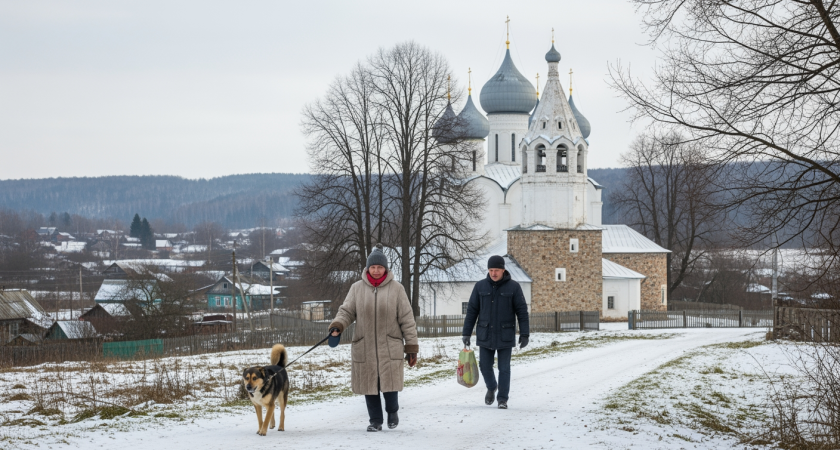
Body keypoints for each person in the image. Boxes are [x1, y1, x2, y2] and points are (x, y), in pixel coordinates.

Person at [328, 244, 419, 432]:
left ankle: (392, 411)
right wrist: (337, 326)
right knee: (370, 385)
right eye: (373, 267)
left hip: (390, 345)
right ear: (367, 268)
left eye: (380, 267)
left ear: (386, 268)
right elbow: (346, 312)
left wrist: (411, 347)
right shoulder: (356, 289)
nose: (376, 271)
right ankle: (375, 421)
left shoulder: (397, 289)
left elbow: (407, 319)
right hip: (365, 345)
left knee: (389, 383)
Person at [462, 255, 529, 409]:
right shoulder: (480, 287)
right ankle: (492, 387)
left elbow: (522, 312)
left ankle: (502, 399)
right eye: (491, 270)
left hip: (505, 335)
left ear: (503, 270)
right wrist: (466, 333)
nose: (493, 273)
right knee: (485, 366)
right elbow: (472, 311)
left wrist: (525, 334)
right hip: (485, 334)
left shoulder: (514, 287)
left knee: (504, 368)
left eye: (496, 270)